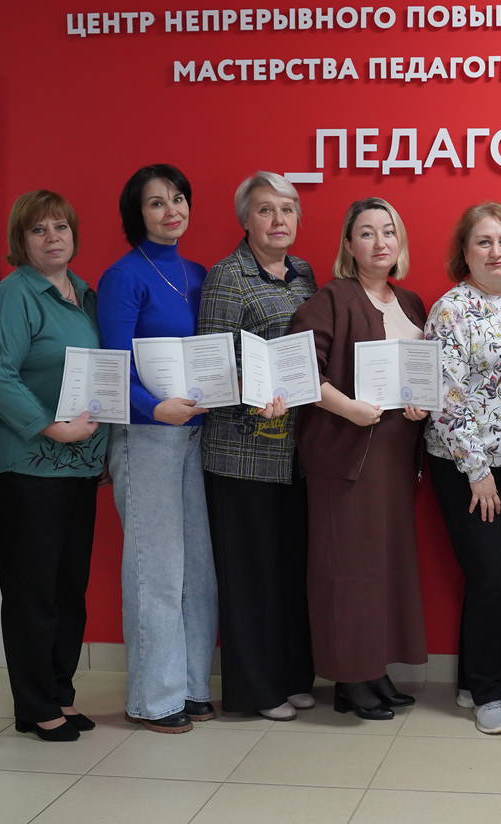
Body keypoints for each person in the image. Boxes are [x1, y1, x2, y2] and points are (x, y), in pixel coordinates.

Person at [0, 189, 106, 742]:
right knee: (32, 591)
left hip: (79, 467)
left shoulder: (85, 294)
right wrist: (51, 426)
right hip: (26, 468)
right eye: (39, 229)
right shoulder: (12, 298)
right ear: (21, 240)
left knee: (68, 588)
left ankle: (60, 693)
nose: (53, 237)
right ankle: (34, 705)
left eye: (61, 227)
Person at [292, 197, 429, 721]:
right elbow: (300, 371)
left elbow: (422, 371)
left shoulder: (410, 301)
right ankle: (349, 678)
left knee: (382, 567)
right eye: (367, 233)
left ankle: (374, 669)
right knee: (346, 569)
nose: (379, 242)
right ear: (349, 245)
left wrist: (421, 404)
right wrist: (348, 408)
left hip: (395, 456)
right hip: (347, 457)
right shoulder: (332, 299)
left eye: (388, 231)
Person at [96, 164, 217, 734]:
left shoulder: (197, 273)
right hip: (146, 436)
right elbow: (113, 369)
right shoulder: (123, 277)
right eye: (156, 203)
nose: (171, 211)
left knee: (197, 567)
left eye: (178, 199)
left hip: (195, 432)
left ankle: (192, 686)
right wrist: (152, 409)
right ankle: (154, 698)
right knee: (157, 569)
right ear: (136, 214)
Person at [423, 203, 501, 734]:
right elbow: (445, 397)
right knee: (490, 575)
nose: (496, 252)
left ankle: (475, 682)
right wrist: (477, 470)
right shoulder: (450, 310)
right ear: (465, 252)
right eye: (484, 242)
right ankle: (487, 692)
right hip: (467, 467)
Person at [197, 171, 317, 720]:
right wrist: (255, 392)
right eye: (266, 210)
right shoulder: (227, 276)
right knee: (250, 576)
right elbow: (212, 364)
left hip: (295, 451)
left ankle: (292, 676)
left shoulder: (304, 274)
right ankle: (255, 690)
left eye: (287, 209)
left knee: (289, 570)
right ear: (245, 219)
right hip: (242, 451)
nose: (278, 220)